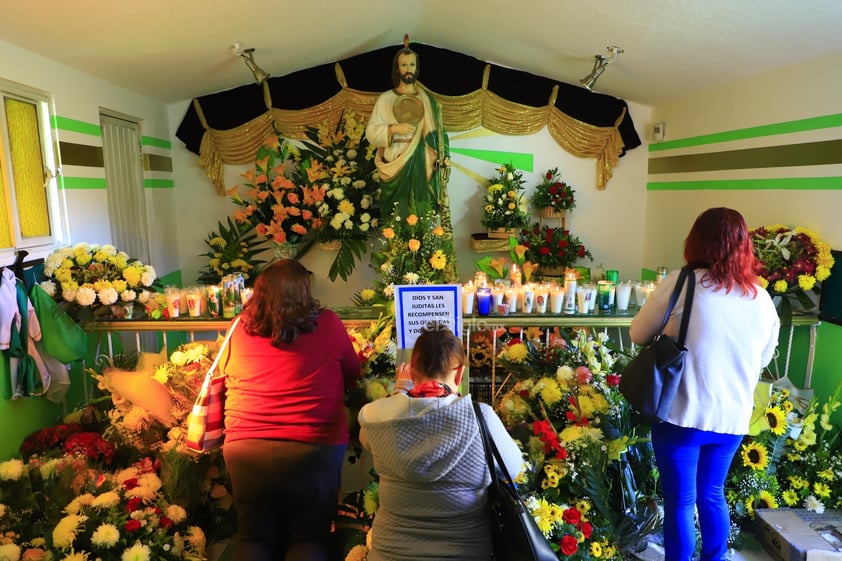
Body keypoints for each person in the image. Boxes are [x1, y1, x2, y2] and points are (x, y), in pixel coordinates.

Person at [629, 207, 780, 561]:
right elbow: (763, 358)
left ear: (695, 240)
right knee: (712, 494)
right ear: (744, 247)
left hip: (682, 412)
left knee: (680, 501)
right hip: (732, 419)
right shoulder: (761, 299)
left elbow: (638, 334)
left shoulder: (684, 284)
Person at [221, 259, 361, 561]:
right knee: (309, 539)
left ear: (259, 292)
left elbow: (223, 371)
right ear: (304, 291)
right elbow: (353, 370)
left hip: (246, 448)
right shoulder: (329, 323)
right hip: (313, 448)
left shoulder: (238, 328)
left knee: (252, 538)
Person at [358, 325, 523, 560]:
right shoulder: (481, 418)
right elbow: (514, 467)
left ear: (411, 370)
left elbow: (367, 439)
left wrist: (399, 393)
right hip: (466, 553)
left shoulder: (378, 416)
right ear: (459, 374)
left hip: (390, 554)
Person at [365, 40, 451, 219]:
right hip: (395, 160)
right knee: (396, 213)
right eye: (404, 64)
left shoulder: (426, 100)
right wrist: (393, 129)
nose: (408, 68)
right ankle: (397, 245)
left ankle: (422, 243)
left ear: (417, 67)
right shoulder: (386, 99)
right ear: (397, 69)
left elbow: (439, 133)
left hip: (422, 159)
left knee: (421, 209)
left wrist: (445, 156)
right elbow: (371, 132)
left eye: (412, 64)